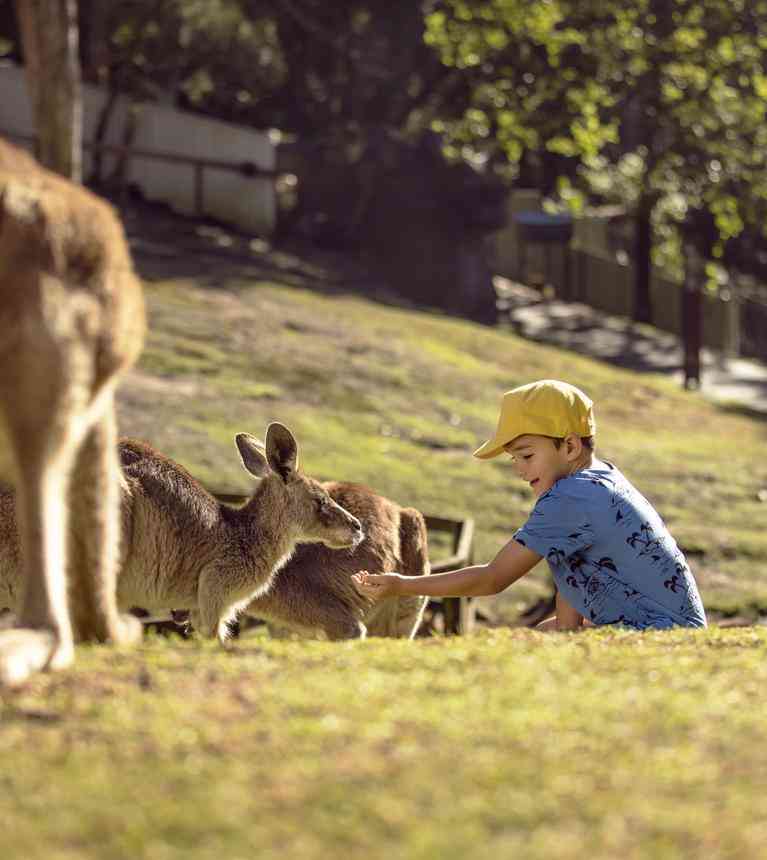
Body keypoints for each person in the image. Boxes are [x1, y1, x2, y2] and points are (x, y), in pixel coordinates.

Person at [353, 379, 707, 631]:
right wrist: (561, 631)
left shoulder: (568, 498)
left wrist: (402, 584)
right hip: (674, 626)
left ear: (569, 447)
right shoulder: (601, 479)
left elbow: (491, 580)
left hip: (657, 632)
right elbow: (573, 571)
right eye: (513, 459)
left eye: (526, 455)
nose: (520, 470)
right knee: (539, 638)